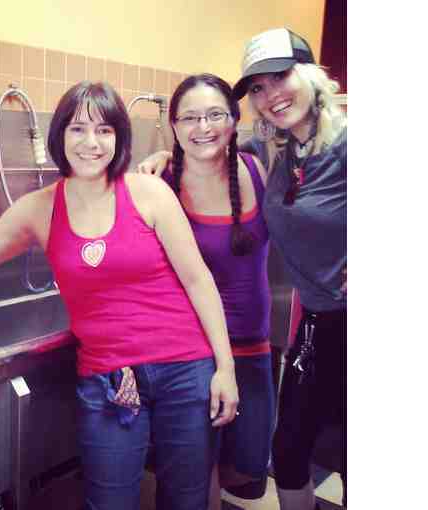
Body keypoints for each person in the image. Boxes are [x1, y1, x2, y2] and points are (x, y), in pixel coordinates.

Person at [0, 81, 239, 510]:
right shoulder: (39, 209)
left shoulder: (149, 193)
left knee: (187, 501)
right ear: (59, 135)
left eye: (104, 130)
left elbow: (198, 280)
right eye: (78, 129)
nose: (91, 143)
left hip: (186, 369)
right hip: (108, 378)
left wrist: (224, 368)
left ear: (119, 137)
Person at [138, 28, 347, 510]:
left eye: (281, 77)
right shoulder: (274, 154)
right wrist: (165, 157)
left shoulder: (328, 147)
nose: (271, 95)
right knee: (276, 454)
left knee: (280, 459)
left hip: (288, 334)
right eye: (258, 87)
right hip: (214, 342)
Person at [140, 73, 275, 510]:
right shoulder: (160, 183)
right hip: (191, 350)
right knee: (196, 474)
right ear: (174, 126)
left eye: (216, 115)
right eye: (190, 118)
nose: (204, 127)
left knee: (250, 462)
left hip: (253, 344)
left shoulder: (256, 167)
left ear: (235, 120)